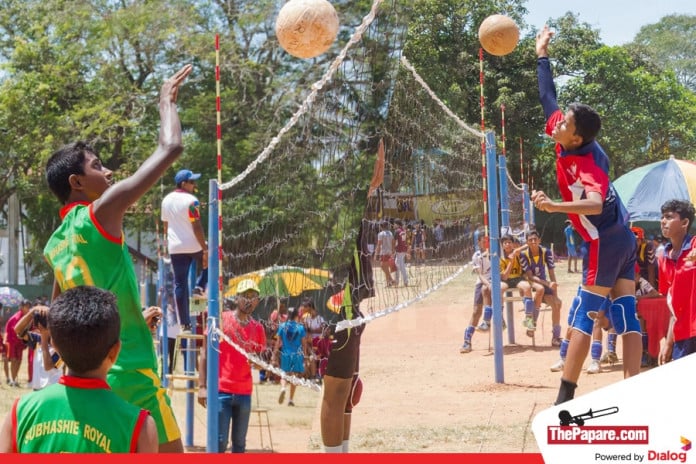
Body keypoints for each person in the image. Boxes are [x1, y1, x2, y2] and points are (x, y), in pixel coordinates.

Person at [42, 64, 192, 451]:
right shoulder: (100, 213)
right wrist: (165, 101)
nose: (107, 171)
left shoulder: (55, 244)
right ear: (76, 183)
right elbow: (170, 148)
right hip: (131, 369)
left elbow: (59, 311)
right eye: (97, 166)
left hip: (89, 376)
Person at [533, 25, 642, 405]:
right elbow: (549, 98)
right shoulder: (568, 138)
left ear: (576, 138)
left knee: (584, 313)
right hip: (623, 239)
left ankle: (564, 399)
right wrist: (541, 54)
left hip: (606, 241)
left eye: (565, 124)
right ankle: (634, 392)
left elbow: (594, 203)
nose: (558, 123)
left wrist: (553, 206)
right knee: (626, 312)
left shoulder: (585, 163)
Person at [0, 286, 158, 453]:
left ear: (55, 345)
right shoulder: (140, 427)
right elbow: (19, 332)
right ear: (115, 351)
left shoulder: (18, 414)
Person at [197, 279, 266, 453]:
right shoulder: (222, 320)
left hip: (244, 393)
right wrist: (202, 386)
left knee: (240, 444)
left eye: (253, 297)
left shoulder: (258, 329)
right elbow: (205, 353)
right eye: (245, 296)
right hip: (221, 391)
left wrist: (258, 363)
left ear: (257, 301)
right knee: (219, 442)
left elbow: (261, 360)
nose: (249, 300)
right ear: (237, 298)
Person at [161, 168, 209, 332]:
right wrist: (205, 249)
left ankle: (185, 324)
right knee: (213, 259)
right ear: (184, 183)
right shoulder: (192, 201)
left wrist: (166, 245)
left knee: (180, 284)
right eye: (192, 182)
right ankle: (200, 285)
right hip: (193, 244)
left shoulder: (166, 200)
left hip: (175, 247)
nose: (194, 185)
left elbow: (165, 226)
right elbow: (196, 226)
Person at [657, 199, 696, 364]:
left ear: (685, 222)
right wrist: (668, 343)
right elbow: (673, 307)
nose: (663, 221)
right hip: (682, 334)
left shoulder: (694, 245)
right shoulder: (663, 258)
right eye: (662, 217)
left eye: (669, 217)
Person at [519, 230, 563, 346]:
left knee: (557, 304)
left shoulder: (546, 252)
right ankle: (531, 323)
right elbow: (530, 276)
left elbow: (552, 273)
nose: (533, 242)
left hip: (544, 282)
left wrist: (555, 295)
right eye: (530, 240)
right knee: (540, 289)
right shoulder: (523, 254)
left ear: (539, 240)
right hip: (530, 282)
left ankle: (556, 337)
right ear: (527, 242)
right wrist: (547, 283)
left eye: (535, 239)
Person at [13, 304, 63, 390]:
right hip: (37, 390)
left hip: (52, 391)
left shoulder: (61, 345)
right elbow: (18, 330)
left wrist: (44, 337)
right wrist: (32, 312)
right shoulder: (38, 339)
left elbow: (48, 366)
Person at [499, 235, 535, 337]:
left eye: (509, 242)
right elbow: (505, 277)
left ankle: (528, 319)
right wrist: (510, 261)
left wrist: (516, 252)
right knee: (500, 289)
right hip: (506, 279)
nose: (507, 245)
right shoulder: (500, 257)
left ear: (512, 244)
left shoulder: (517, 253)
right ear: (502, 245)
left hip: (517, 278)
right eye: (505, 243)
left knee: (527, 287)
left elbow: (526, 246)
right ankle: (501, 319)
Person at [461, 233, 492, 353]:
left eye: (487, 240)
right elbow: (479, 274)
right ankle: (467, 341)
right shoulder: (476, 256)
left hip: (495, 279)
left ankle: (489, 321)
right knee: (476, 312)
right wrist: (487, 284)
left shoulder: (496, 251)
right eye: (483, 241)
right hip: (482, 281)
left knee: (497, 299)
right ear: (478, 242)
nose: (485, 242)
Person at [273, 306, 309, 407]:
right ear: (297, 315)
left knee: (284, 375)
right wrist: (305, 356)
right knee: (294, 376)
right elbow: (304, 343)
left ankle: (283, 387)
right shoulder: (300, 328)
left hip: (285, 354)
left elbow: (278, 342)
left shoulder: (282, 326)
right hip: (297, 355)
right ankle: (291, 400)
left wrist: (274, 355)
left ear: (288, 315)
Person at [4, 300, 31, 387]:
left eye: (29, 307)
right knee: (14, 360)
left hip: (20, 343)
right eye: (27, 306)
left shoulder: (27, 317)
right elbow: (12, 330)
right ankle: (12, 380)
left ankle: (14, 378)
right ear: (22, 307)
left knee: (19, 361)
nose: (28, 309)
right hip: (12, 342)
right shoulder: (16, 317)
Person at [374, 221, 396, 287]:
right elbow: (393, 242)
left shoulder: (380, 234)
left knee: (383, 267)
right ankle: (388, 283)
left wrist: (376, 254)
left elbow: (379, 244)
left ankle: (391, 280)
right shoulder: (390, 233)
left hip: (384, 252)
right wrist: (392, 250)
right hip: (389, 251)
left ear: (381, 227)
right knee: (385, 267)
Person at [393, 219, 409, 286]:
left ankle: (405, 281)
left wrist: (393, 250)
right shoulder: (403, 230)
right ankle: (397, 281)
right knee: (397, 264)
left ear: (397, 224)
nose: (393, 225)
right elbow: (404, 240)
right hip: (403, 249)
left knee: (401, 265)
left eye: (394, 224)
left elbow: (395, 242)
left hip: (399, 250)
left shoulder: (397, 231)